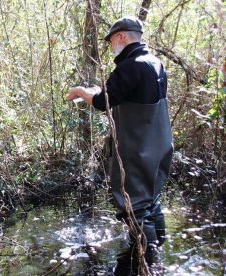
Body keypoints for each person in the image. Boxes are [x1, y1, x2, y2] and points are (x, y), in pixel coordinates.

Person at [67, 17, 173, 274]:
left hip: (137, 148)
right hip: (159, 145)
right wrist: (100, 91)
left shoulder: (129, 67)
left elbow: (104, 102)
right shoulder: (155, 63)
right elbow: (124, 95)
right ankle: (157, 247)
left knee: (134, 204)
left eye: (112, 41)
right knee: (152, 199)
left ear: (122, 37)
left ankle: (144, 260)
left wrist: (81, 92)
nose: (111, 46)